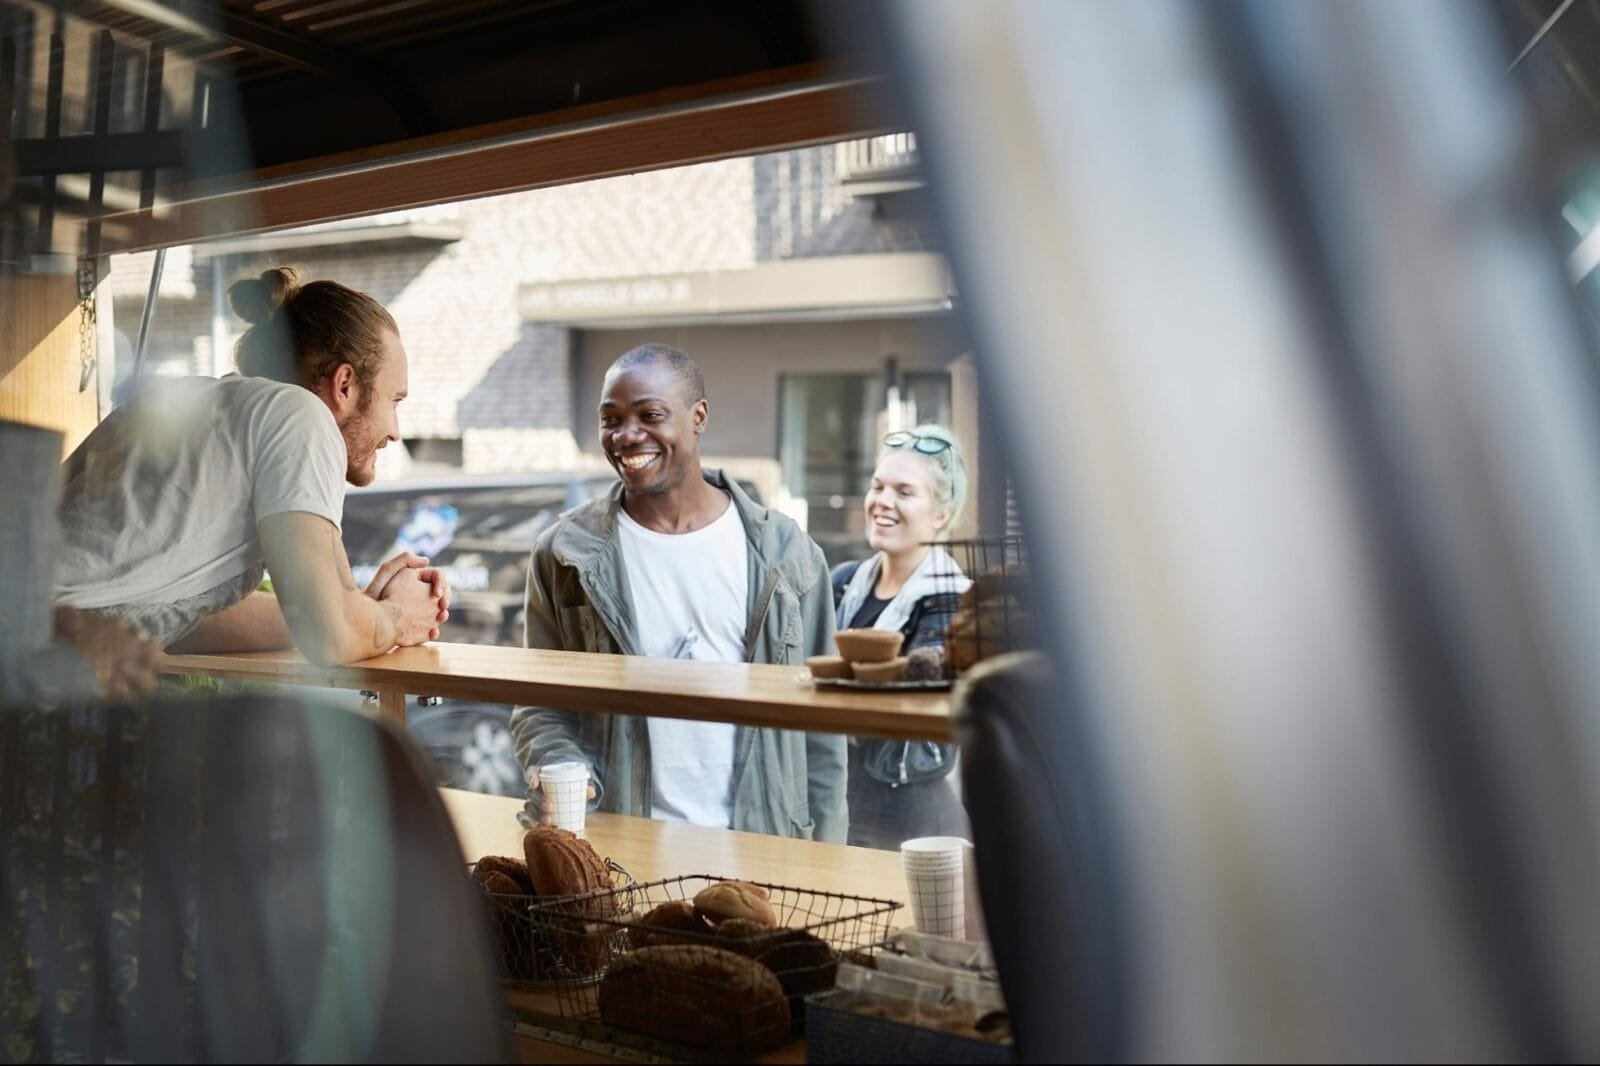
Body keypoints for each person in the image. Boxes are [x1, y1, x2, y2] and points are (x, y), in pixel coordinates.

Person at [508, 343, 847, 842]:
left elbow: (824, 729)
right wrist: (559, 763)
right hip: (623, 847)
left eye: (650, 415)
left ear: (698, 417)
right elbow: (538, 703)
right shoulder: (562, 554)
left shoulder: (788, 554)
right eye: (610, 419)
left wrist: (828, 859)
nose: (626, 435)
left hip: (764, 849)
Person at [54, 267, 449, 667]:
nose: (395, 431)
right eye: (394, 401)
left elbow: (189, 620)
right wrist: (399, 616)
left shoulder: (210, 409)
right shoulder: (301, 416)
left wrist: (359, 608)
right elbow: (330, 639)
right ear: (344, 384)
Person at [831, 424, 973, 849]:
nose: (883, 502)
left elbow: (914, 705)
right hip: (841, 798)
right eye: (878, 487)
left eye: (904, 492)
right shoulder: (844, 582)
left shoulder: (952, 601)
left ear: (941, 514)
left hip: (913, 814)